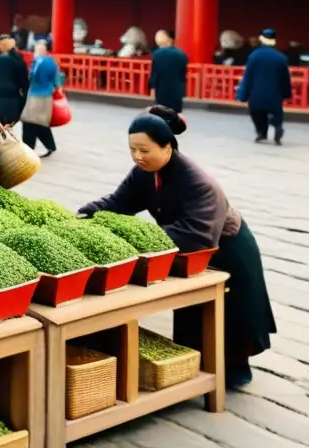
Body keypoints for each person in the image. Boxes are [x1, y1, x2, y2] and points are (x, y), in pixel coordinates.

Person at [78, 107, 275, 389]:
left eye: (145, 150)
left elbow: (196, 235)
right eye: (132, 150)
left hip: (227, 250)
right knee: (192, 319)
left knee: (232, 321)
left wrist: (132, 240)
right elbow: (117, 203)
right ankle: (192, 371)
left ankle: (229, 373)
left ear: (167, 146)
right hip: (186, 254)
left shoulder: (198, 182)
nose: (137, 157)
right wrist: (84, 215)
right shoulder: (143, 173)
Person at [237, 29, 292, 145]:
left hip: (257, 94)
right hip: (275, 95)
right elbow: (285, 79)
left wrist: (243, 94)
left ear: (261, 40)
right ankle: (277, 127)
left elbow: (248, 77)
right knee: (277, 112)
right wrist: (286, 93)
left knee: (257, 113)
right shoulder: (281, 58)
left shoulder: (254, 56)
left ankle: (262, 132)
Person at [20, 39, 61, 158]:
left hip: (35, 95)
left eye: (37, 49)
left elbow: (32, 77)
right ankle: (50, 145)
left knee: (29, 122)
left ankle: (28, 148)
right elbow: (57, 81)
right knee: (41, 123)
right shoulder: (52, 62)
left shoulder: (39, 61)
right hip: (47, 95)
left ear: (43, 49)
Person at [0, 34, 29, 126]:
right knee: (9, 125)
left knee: (2, 126)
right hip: (14, 97)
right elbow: (23, 80)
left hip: (1, 97)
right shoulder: (18, 60)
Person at [149, 29, 188, 113]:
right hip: (177, 91)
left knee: (162, 114)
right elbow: (183, 76)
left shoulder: (157, 54)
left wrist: (152, 89)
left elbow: (154, 75)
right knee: (175, 115)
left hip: (162, 91)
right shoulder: (182, 54)